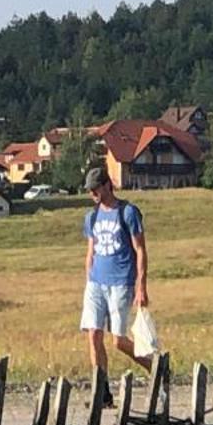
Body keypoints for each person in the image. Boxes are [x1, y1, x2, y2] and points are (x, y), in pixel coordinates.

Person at [81, 165, 153, 388]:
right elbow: (91, 251)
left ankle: (156, 367)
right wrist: (88, 279)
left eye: (95, 189)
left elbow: (140, 249)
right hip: (96, 282)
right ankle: (101, 391)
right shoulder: (92, 217)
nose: (92, 194)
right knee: (93, 335)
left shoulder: (128, 212)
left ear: (106, 186)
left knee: (118, 341)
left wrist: (141, 286)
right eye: (89, 190)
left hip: (121, 282)